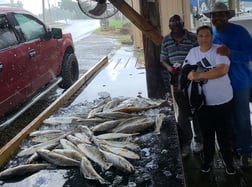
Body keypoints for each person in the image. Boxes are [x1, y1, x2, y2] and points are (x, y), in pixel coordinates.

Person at [203, 2, 252, 169]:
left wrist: (231, 53)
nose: (217, 18)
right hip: (221, 86)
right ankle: (234, 148)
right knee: (228, 121)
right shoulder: (212, 33)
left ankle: (247, 152)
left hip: (239, 84)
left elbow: (250, 54)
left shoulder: (240, 32)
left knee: (243, 119)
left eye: (221, 14)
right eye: (214, 15)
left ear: (227, 16)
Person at [183, 25, 236, 175]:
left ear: (212, 37)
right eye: (201, 36)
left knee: (224, 134)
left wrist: (198, 75)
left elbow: (222, 70)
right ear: (197, 38)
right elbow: (186, 70)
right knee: (207, 135)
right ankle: (208, 160)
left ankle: (229, 162)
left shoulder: (219, 49)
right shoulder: (193, 52)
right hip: (202, 104)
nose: (204, 39)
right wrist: (189, 74)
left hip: (223, 101)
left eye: (207, 35)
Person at [160, 14, 203, 158]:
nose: (175, 25)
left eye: (178, 22)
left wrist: (192, 70)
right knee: (183, 113)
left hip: (193, 81)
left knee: (197, 109)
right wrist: (170, 68)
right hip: (176, 81)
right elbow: (163, 59)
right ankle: (186, 142)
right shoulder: (166, 40)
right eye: (172, 23)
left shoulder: (192, 38)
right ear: (169, 25)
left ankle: (199, 140)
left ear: (183, 24)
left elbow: (200, 56)